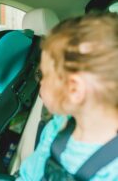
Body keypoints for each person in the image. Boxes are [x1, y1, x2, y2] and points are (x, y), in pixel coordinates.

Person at [18, 12, 118, 180]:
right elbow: (28, 176)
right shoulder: (57, 128)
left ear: (74, 89)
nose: (40, 83)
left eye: (44, 75)